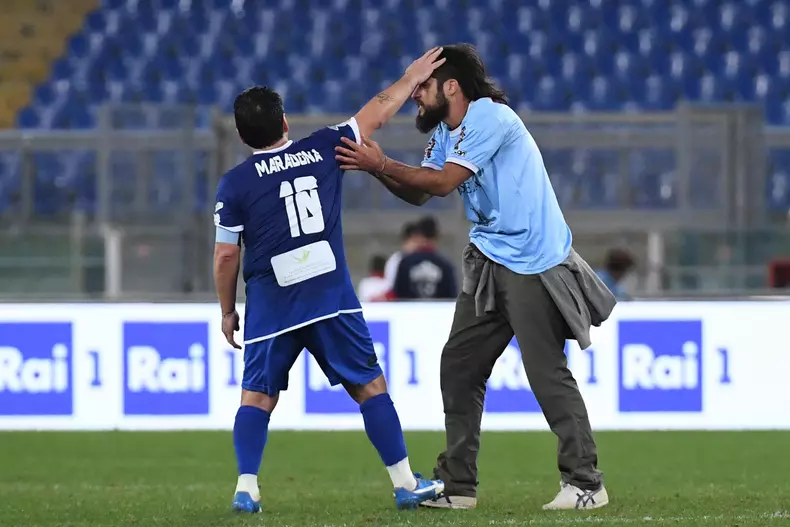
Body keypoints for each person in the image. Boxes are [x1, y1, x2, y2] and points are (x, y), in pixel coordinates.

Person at [335, 43, 616, 511]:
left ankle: (586, 483)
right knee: (460, 366)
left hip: (531, 260)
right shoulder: (447, 132)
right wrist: (377, 169)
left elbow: (443, 183)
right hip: (489, 259)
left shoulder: (490, 117)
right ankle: (459, 487)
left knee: (546, 373)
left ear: (451, 87)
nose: (415, 97)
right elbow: (421, 196)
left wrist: (380, 164)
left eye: (422, 87)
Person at [212, 47, 448, 513]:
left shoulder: (235, 184)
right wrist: (409, 78)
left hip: (271, 305)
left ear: (242, 135)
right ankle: (404, 483)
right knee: (369, 387)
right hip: (329, 299)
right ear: (285, 123)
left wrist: (226, 310)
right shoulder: (323, 147)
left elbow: (224, 255)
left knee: (257, 397)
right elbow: (377, 113)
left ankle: (246, 486)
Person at [392, 216, 458, 299]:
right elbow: (451, 298)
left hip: (411, 311)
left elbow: (398, 296)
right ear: (437, 236)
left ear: (419, 235)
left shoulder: (405, 263)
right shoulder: (445, 265)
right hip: (437, 311)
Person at [383, 221, 420, 289]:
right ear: (405, 241)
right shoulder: (395, 260)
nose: (418, 245)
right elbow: (390, 285)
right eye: (415, 241)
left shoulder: (424, 261)